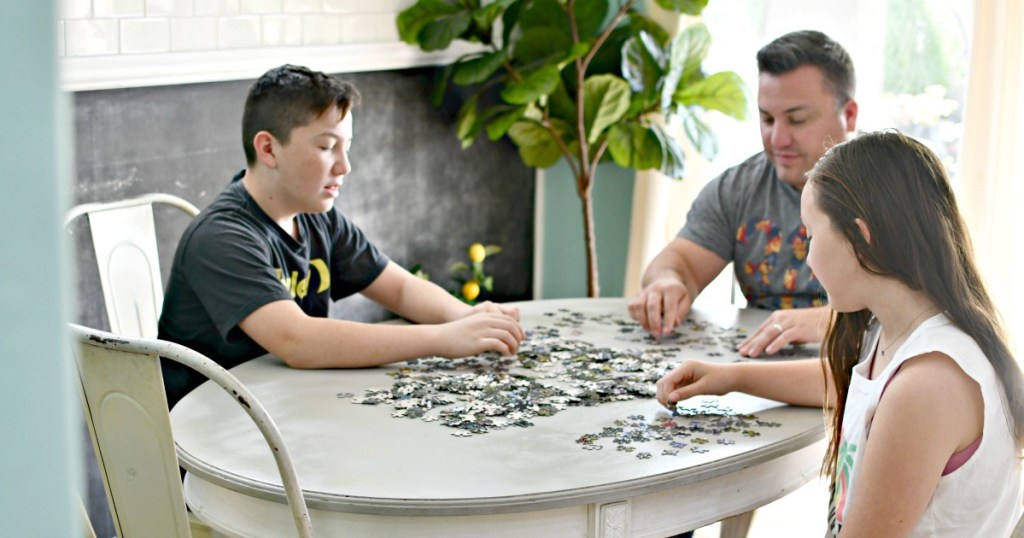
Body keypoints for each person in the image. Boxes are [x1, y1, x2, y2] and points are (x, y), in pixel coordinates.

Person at [656, 131, 1024, 536]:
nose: (807, 256)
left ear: (861, 238)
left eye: (811, 236)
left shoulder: (928, 386)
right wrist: (732, 376)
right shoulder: (898, 329)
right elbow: (846, 382)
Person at [158, 64, 525, 408]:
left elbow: (399, 288)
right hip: (213, 438)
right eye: (325, 147)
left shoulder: (318, 219)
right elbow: (298, 342)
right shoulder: (222, 237)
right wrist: (441, 340)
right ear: (268, 148)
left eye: (346, 148)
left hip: (285, 409)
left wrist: (466, 319)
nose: (344, 166)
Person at [629, 30, 858, 357]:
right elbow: (680, 263)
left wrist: (828, 323)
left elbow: (929, 309)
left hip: (867, 384)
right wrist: (668, 283)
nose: (777, 139)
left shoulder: (897, 188)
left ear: (848, 115)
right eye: (766, 118)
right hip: (758, 374)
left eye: (797, 119)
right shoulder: (737, 188)